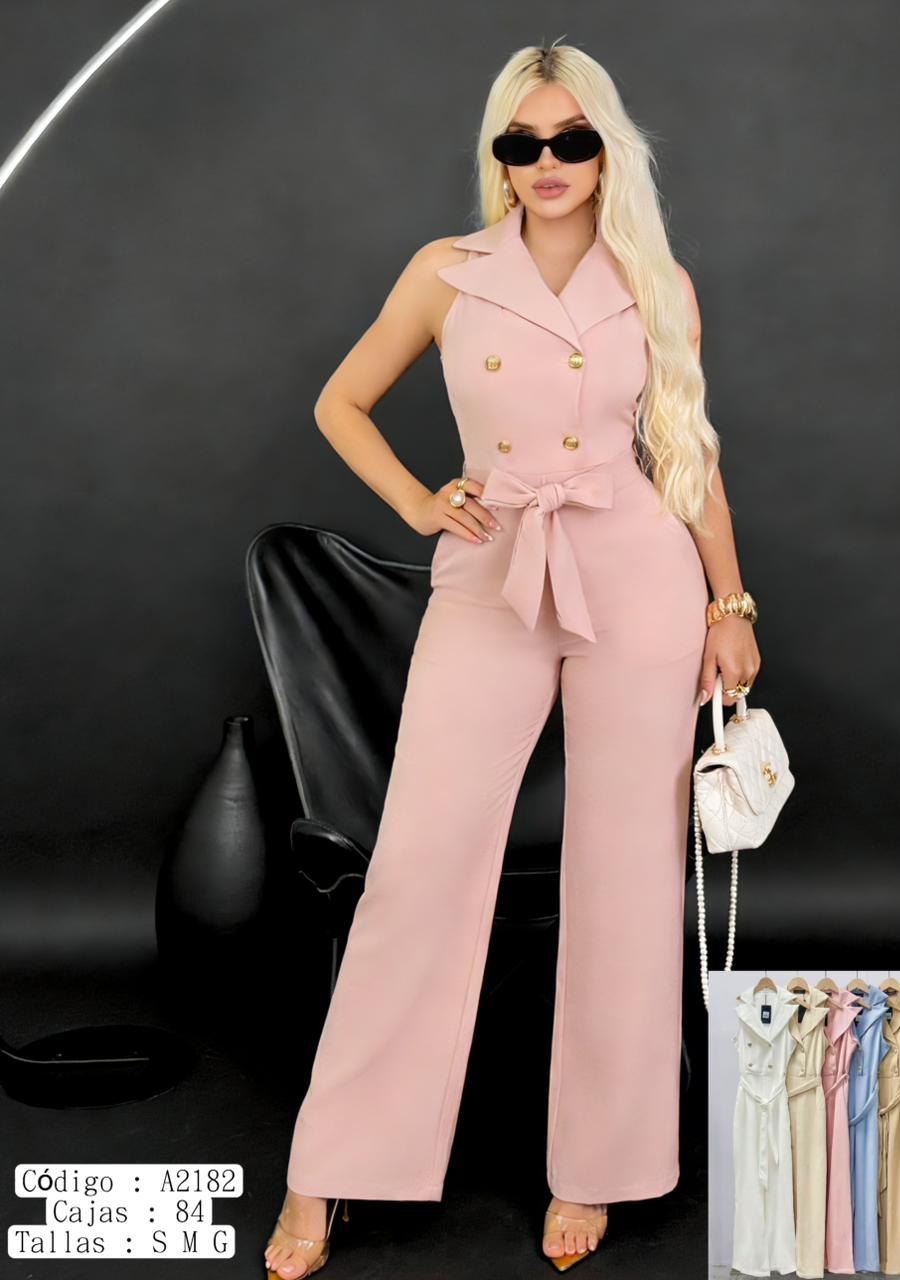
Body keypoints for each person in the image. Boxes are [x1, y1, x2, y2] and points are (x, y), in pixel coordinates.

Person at [264, 39, 761, 1278]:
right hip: (493, 573)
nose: (548, 162)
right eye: (522, 142)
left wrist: (729, 600)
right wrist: (419, 501)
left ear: (606, 150)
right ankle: (330, 1162)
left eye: (571, 140)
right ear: (499, 154)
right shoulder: (448, 271)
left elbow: (686, 449)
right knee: (417, 865)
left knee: (627, 873)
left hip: (637, 573)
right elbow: (340, 402)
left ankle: (596, 1165)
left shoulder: (655, 281)